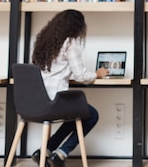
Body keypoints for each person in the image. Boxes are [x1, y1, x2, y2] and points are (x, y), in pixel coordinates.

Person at [30, 9, 109, 167]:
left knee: (77, 113)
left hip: (35, 101)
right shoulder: (70, 45)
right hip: (54, 102)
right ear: (76, 27)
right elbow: (81, 76)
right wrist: (97, 74)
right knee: (91, 115)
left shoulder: (42, 42)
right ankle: (61, 153)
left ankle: (45, 151)